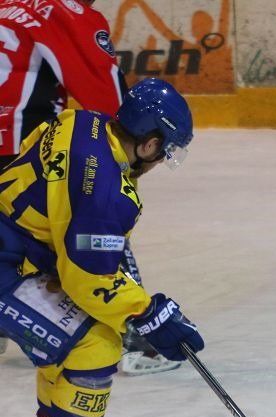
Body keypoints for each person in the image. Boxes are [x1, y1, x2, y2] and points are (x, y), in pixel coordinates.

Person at [0, 78, 204, 417]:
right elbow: (88, 279)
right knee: (95, 342)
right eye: (164, 151)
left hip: (15, 251)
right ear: (149, 144)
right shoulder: (106, 191)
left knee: (63, 346)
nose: (160, 161)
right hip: (6, 266)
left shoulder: (81, 121)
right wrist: (147, 313)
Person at [0, 0, 178, 374]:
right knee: (98, 222)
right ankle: (134, 338)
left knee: (15, 232)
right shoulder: (64, 11)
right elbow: (110, 99)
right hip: (17, 142)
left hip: (16, 154)